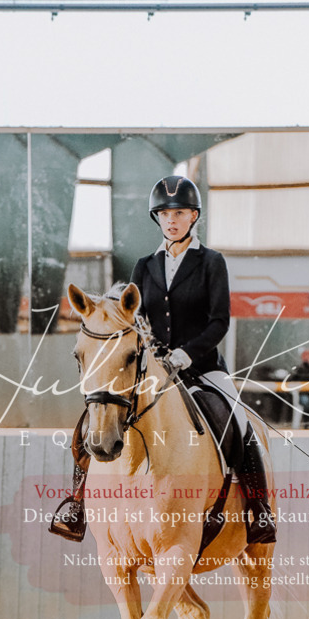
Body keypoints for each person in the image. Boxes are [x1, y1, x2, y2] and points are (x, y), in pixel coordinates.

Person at [50, 175, 276, 544]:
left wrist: (186, 354)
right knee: (93, 416)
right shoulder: (144, 265)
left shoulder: (211, 263)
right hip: (152, 372)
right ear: (157, 218)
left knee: (240, 423)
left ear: (194, 216)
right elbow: (133, 315)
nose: (172, 220)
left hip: (203, 368)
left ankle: (258, 510)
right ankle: (76, 503)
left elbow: (220, 321)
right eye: (165, 213)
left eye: (180, 212)